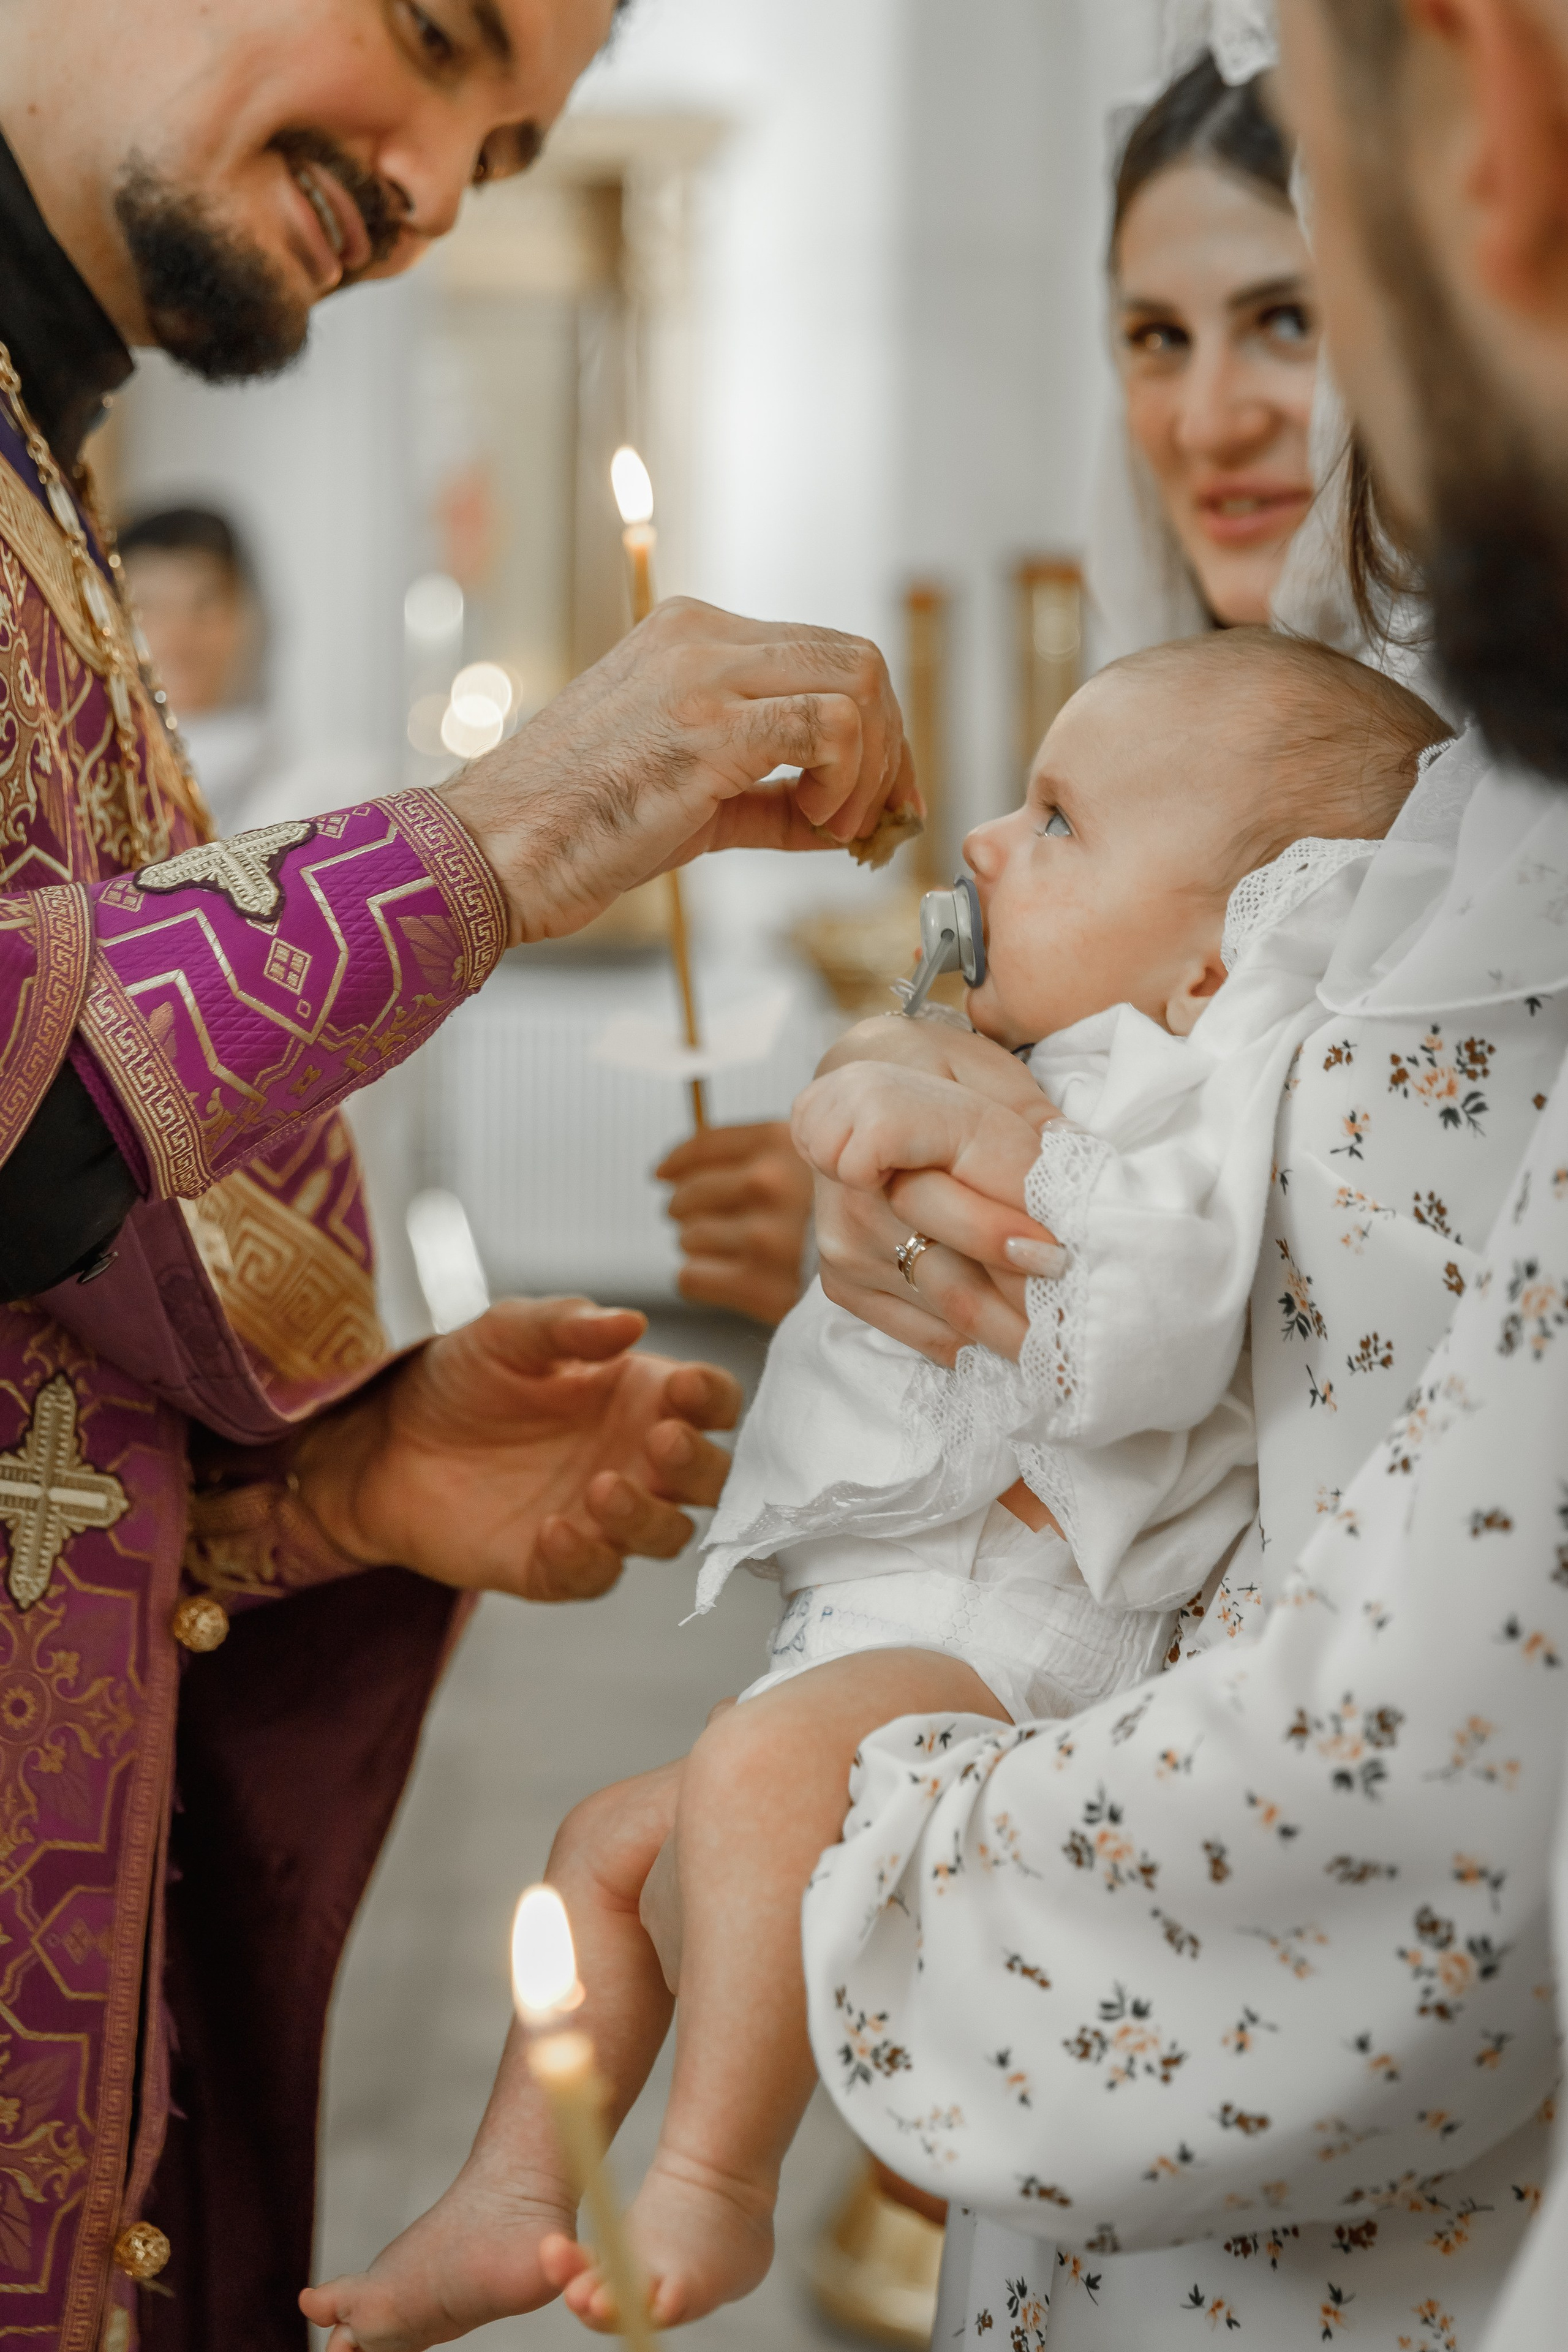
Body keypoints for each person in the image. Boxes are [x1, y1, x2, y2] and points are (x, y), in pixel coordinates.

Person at [0, 4, 919, 2345]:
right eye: (432, 38)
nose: (422, 188)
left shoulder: (45, 496)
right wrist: (517, 826)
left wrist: (335, 1495)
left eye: (502, 158)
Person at [301, 627, 1449, 2345]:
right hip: (911, 1622)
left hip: (1014, 1642)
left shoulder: (1183, 1111)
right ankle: (509, 2194)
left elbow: (1147, 1333)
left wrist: (1001, 1151)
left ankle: (717, 2179)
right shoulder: (1065, 1062)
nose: (985, 839)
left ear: (1213, 966)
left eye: (1056, 821)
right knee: (603, 1849)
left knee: (754, 1772)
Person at [759, 2, 1568, 2345]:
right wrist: (922, 1127)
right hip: (1127, 1957)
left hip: (1278, 2053)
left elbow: (1424, 1795)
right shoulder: (1325, 771)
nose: (1229, 411)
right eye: (1152, 334)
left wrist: (862, 1846)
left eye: (1300, 298)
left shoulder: (1440, 829)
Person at [662, 53, 1327, 1342]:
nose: (1204, 421)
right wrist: (902, 1185)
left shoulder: (1494, 805)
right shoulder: (1164, 731)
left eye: (1286, 321)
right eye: (1156, 338)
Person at [116, 505, 271, 833]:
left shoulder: (325, 791)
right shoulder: (90, 789)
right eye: (148, 608)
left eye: (205, 604)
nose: (178, 637)